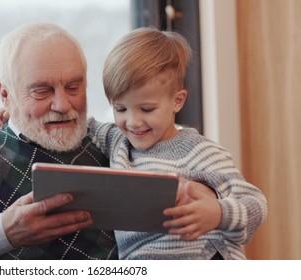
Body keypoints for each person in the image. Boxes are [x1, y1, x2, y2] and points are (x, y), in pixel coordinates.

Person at [0, 23, 216, 260]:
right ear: (5, 93)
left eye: (74, 87)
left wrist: (208, 201)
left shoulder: (122, 142)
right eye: (42, 91)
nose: (63, 105)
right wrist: (3, 231)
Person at [89, 27, 268, 259]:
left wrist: (217, 213)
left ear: (177, 101)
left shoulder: (201, 152)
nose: (132, 122)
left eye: (147, 109)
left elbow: (256, 204)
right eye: (120, 109)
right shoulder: (117, 142)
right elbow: (80, 123)